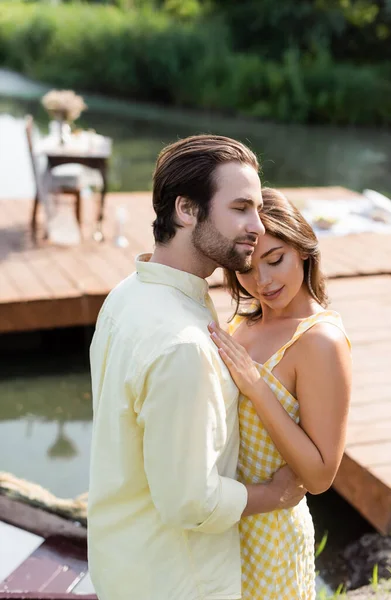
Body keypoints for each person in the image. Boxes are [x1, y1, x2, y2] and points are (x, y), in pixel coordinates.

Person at [88, 138, 307, 600]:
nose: (258, 225)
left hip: (123, 564)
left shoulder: (126, 295)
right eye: (242, 208)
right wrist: (278, 495)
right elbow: (190, 501)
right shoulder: (182, 345)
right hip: (176, 580)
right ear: (187, 210)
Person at [208, 187, 352, 599]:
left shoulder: (319, 341)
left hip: (270, 535)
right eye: (247, 268)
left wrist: (257, 389)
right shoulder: (245, 324)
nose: (263, 281)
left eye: (275, 260)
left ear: (304, 251)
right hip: (222, 521)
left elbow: (322, 475)